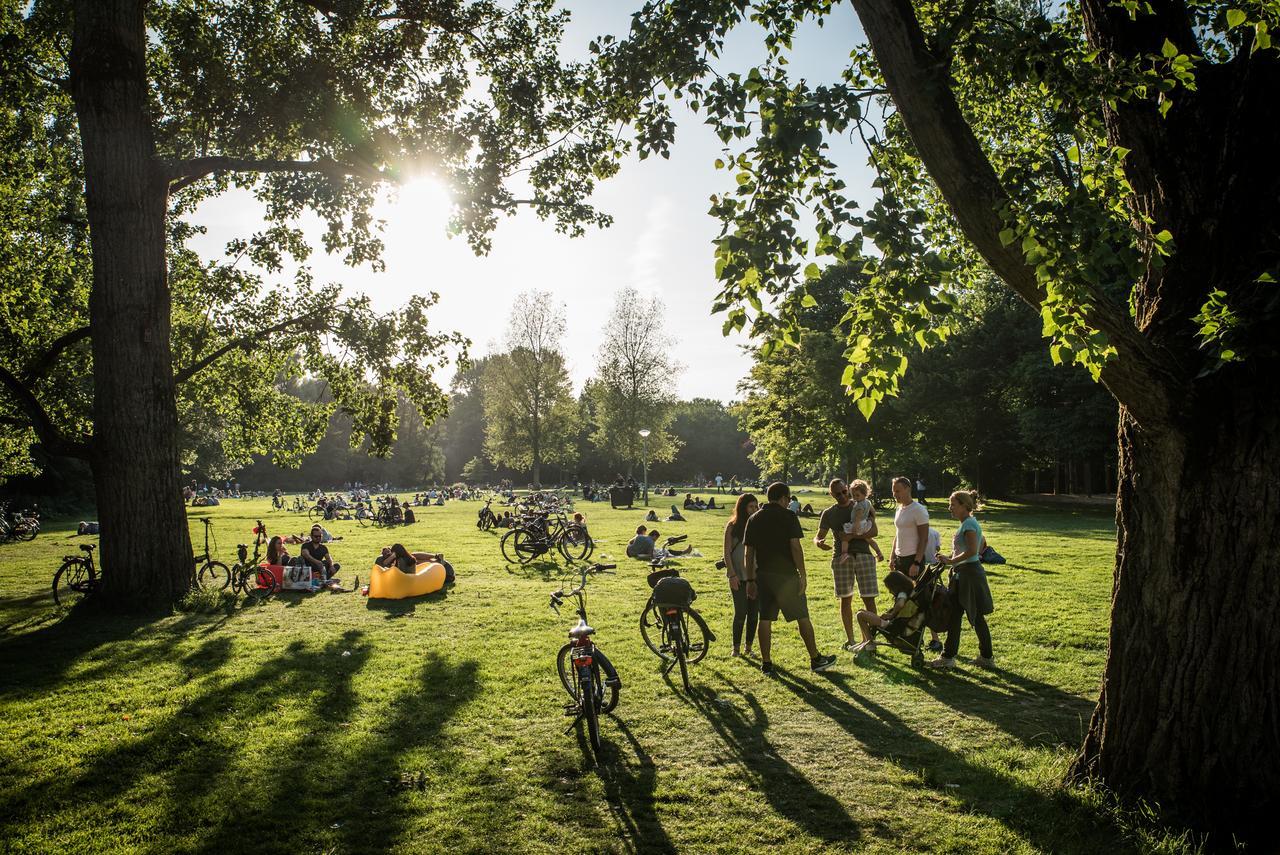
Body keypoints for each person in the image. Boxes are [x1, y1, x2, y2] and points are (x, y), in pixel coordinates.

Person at [742, 481, 837, 674]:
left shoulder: (754, 518)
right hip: (786, 576)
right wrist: (802, 573)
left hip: (763, 575)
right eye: (788, 499)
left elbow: (748, 553)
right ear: (784, 498)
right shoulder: (789, 516)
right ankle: (815, 659)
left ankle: (766, 663)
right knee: (802, 616)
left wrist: (750, 580)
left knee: (765, 618)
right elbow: (795, 546)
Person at [930, 490, 995, 669]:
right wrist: (947, 557)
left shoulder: (968, 525)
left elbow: (973, 551)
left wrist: (951, 561)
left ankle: (956, 657)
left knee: (972, 616)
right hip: (964, 574)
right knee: (959, 615)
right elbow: (964, 550)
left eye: (953, 504)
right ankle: (981, 657)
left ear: (964, 506)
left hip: (969, 575)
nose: (950, 508)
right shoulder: (967, 523)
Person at [816, 479, 881, 651]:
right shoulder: (828, 513)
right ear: (832, 494)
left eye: (845, 491)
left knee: (869, 598)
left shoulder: (862, 504)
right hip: (841, 558)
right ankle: (851, 640)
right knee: (846, 599)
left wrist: (850, 537)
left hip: (863, 555)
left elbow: (874, 531)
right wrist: (819, 542)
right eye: (838, 493)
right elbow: (818, 535)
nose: (843, 496)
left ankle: (869, 640)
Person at [722, 493, 761, 657]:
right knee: (740, 613)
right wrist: (732, 575)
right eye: (751, 506)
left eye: (756, 506)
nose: (754, 509)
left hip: (755, 576)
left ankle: (748, 647)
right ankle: (736, 648)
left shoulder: (759, 525)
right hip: (738, 576)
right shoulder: (732, 526)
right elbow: (727, 553)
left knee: (753, 615)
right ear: (742, 507)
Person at [849, 569, 917, 655]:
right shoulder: (908, 591)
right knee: (861, 611)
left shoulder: (902, 593)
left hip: (894, 625)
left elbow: (900, 604)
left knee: (860, 615)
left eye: (890, 588)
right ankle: (865, 641)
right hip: (895, 622)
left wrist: (891, 615)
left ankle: (870, 643)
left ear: (897, 585)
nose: (889, 591)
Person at [890, 476, 929, 583]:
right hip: (899, 559)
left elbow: (924, 539)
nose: (894, 494)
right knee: (900, 594)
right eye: (893, 491)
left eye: (897, 491)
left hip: (913, 559)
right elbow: (898, 534)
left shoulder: (919, 510)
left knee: (915, 597)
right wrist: (892, 556)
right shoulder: (899, 509)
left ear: (907, 489)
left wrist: (916, 563)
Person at [841, 481, 884, 563]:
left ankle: (844, 553)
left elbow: (857, 517)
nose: (855, 497)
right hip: (865, 524)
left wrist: (854, 528)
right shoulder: (868, 502)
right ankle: (878, 552)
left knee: (845, 538)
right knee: (869, 539)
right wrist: (872, 520)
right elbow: (873, 511)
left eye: (857, 495)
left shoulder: (859, 506)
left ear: (864, 494)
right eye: (853, 495)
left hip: (857, 525)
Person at [376, 543, 455, 583]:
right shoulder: (383, 560)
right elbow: (385, 563)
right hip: (445, 572)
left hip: (447, 572)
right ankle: (436, 559)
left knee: (412, 557)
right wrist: (392, 556)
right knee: (413, 558)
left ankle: (436, 557)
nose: (389, 553)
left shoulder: (402, 560)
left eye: (389, 551)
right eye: (386, 553)